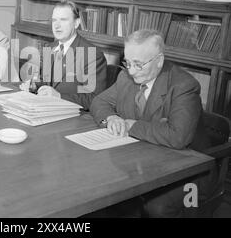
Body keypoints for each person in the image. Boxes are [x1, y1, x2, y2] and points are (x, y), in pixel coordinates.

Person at [90, 29, 213, 217]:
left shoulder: (183, 86)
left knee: (156, 207)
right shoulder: (126, 77)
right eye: (127, 62)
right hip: (142, 161)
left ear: (159, 60)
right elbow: (100, 101)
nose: (131, 70)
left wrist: (132, 126)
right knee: (103, 188)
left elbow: (178, 136)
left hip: (188, 173)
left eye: (138, 64)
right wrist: (111, 118)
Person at [21, 0, 107, 111]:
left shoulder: (92, 54)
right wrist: (34, 86)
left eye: (63, 20)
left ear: (76, 23)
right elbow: (45, 80)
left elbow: (95, 99)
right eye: (54, 20)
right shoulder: (49, 48)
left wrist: (59, 96)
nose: (56, 26)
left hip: (74, 117)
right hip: (47, 110)